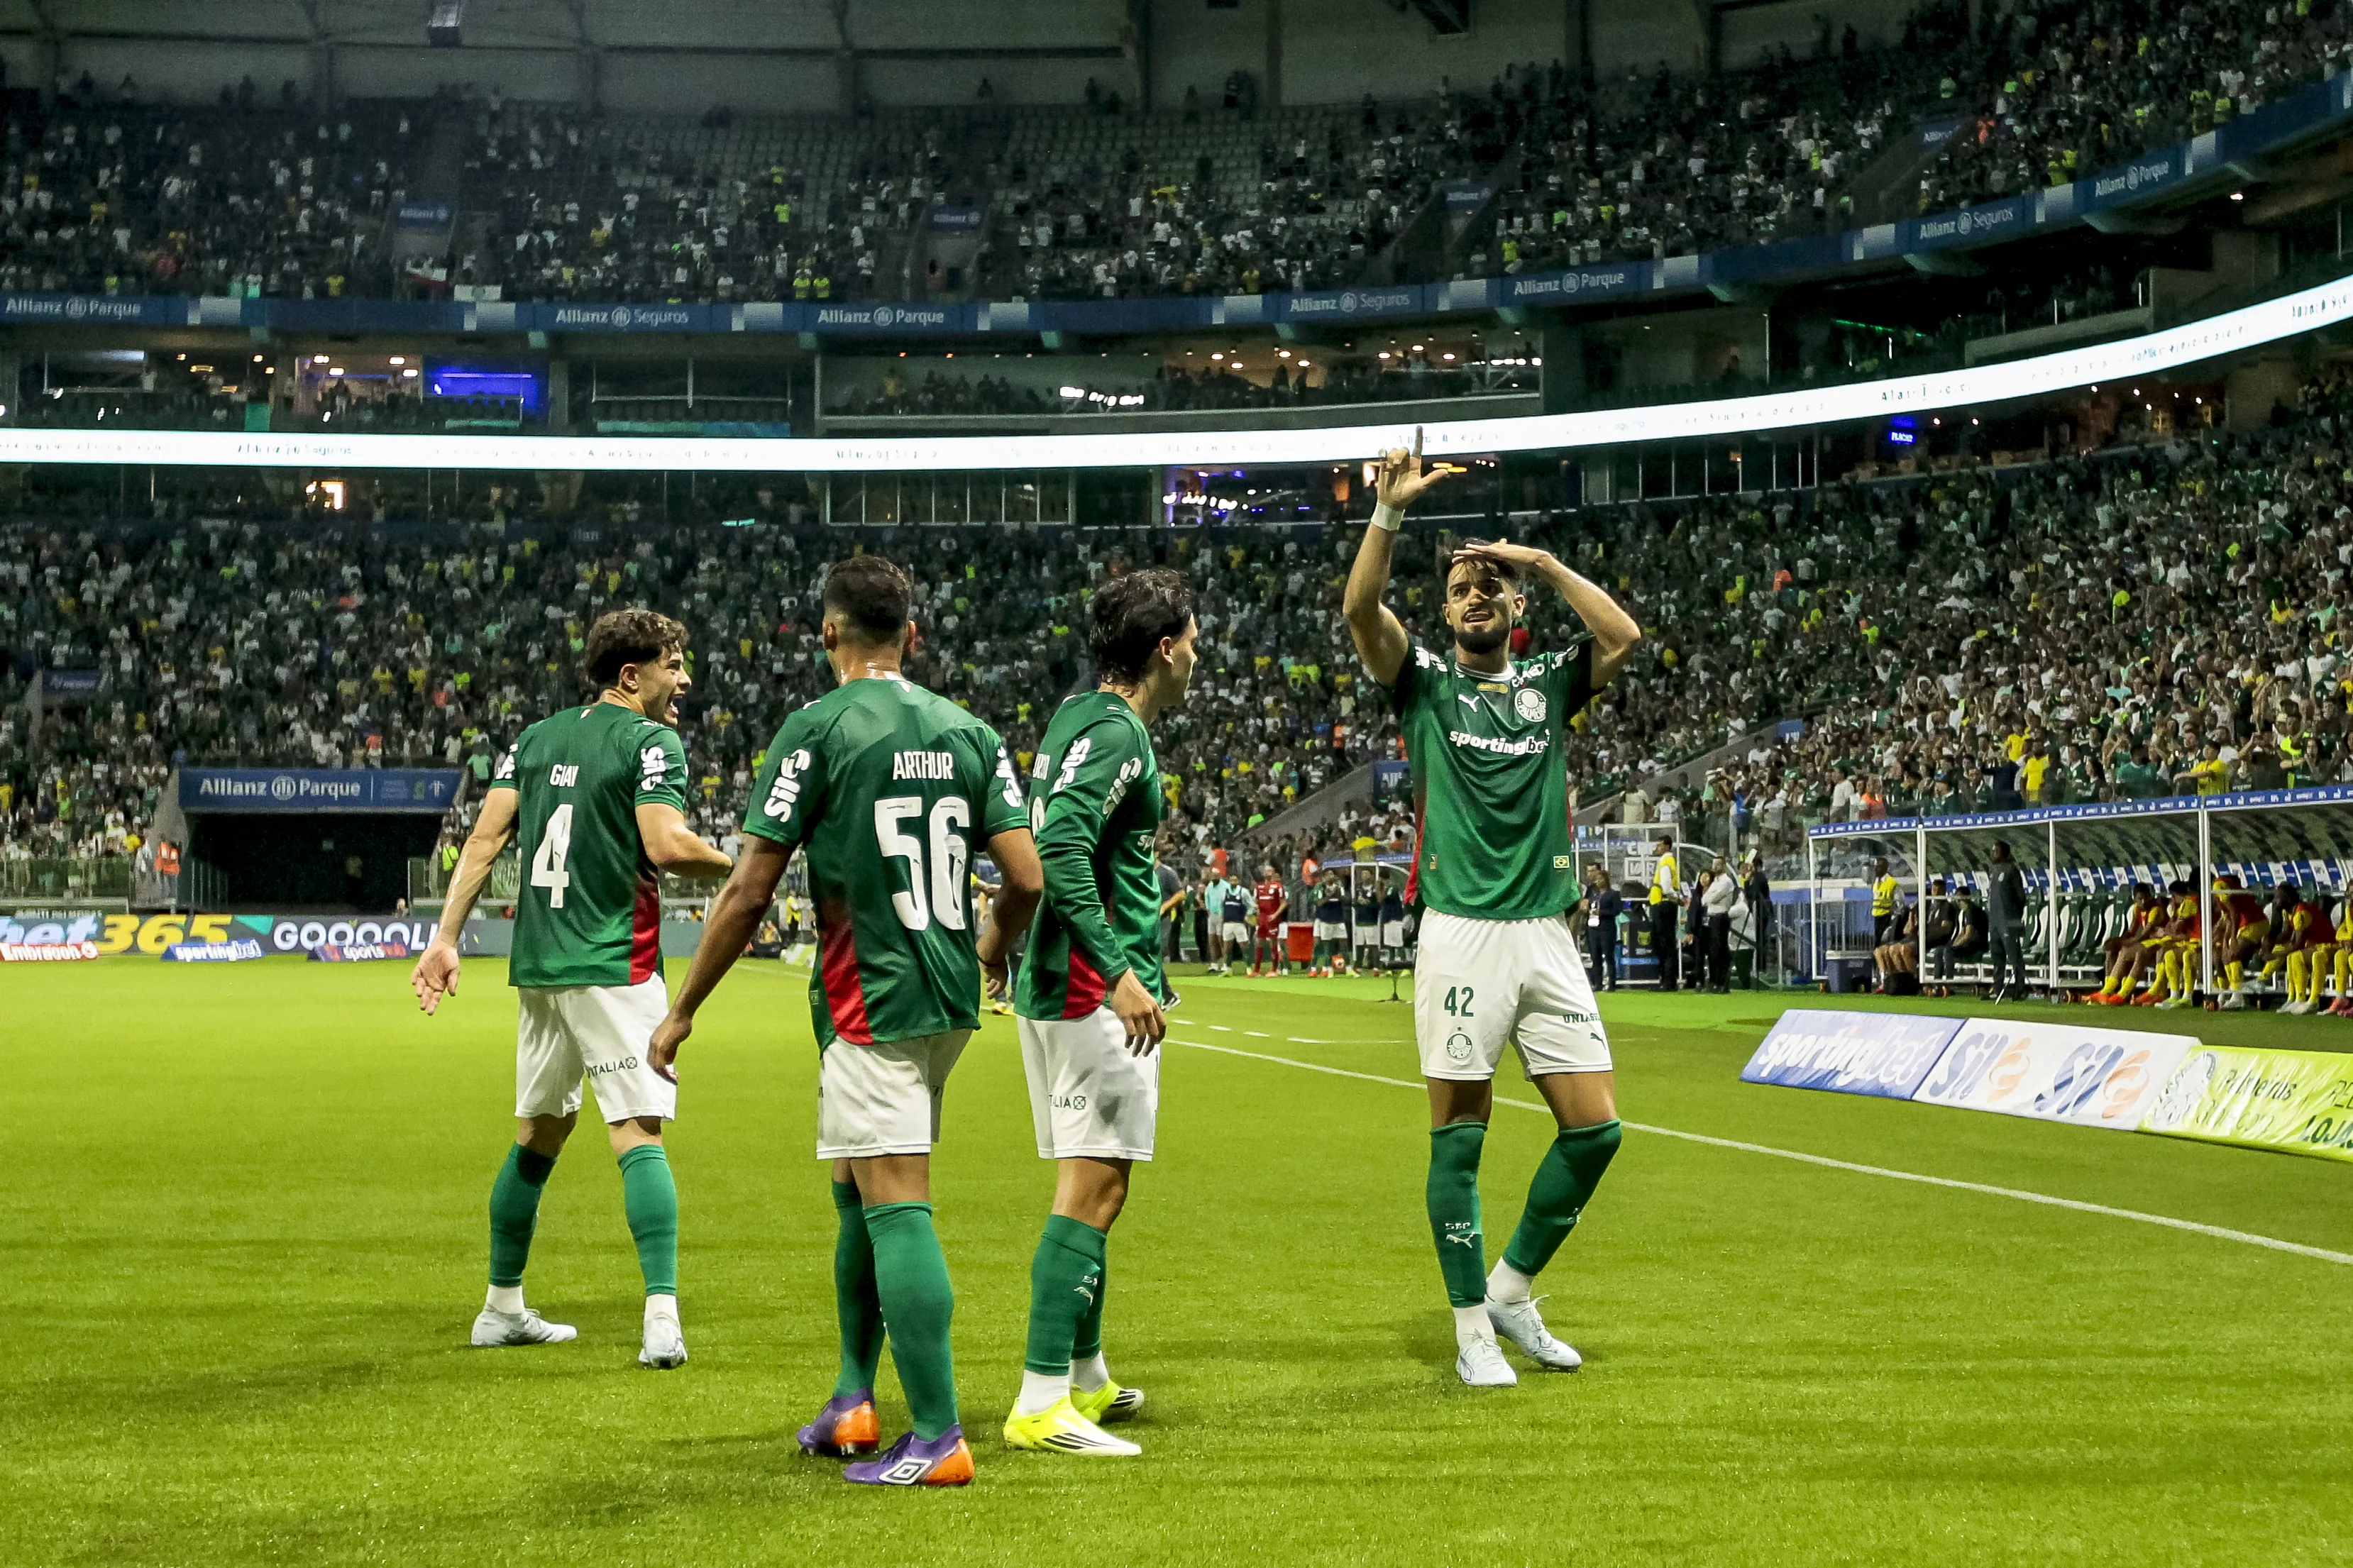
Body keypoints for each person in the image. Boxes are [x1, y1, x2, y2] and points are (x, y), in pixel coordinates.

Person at [645, 557, 1041, 1487]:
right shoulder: (971, 731)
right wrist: (988, 953)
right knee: (857, 1186)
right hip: (943, 991)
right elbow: (1025, 877)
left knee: (897, 1196)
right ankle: (855, 1397)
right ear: (913, 634)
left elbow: (748, 887)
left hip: (871, 994)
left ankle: (939, 1435)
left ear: (828, 633)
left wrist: (682, 1009)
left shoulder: (816, 730)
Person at [1343, 434, 1642, 1388]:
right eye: (1463, 587)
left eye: (1491, 586)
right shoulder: (1424, 685)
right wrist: (1388, 511)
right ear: (1444, 610)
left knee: (1596, 1130)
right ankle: (1471, 1323)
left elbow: (1622, 638)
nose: (1477, 595)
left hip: (1546, 932)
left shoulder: (1550, 685)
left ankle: (1510, 1290)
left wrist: (1543, 563)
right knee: (1460, 1134)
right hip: (1464, 930)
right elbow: (1359, 608)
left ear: (1514, 605)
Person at [409, 610, 733, 1369]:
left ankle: (502, 1306)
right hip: (612, 962)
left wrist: (446, 936)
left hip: (541, 969)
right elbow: (666, 845)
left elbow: (486, 839)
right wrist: (749, 865)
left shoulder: (533, 738)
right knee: (638, 1131)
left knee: (537, 1135)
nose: (683, 678)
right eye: (672, 664)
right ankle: (660, 1317)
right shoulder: (651, 740)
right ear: (632, 676)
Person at [1005, 568, 1197, 1458]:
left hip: (1052, 981)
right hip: (1093, 993)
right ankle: (1041, 1401)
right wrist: (1119, 969)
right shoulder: (1120, 734)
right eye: (1191, 639)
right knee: (1096, 1187)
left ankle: (1084, 1374)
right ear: (1164, 648)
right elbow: (1061, 845)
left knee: (1094, 1176)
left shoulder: (1075, 717)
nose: (1197, 654)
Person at [2087, 883, 2161, 1005]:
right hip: (2146, 943)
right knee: (2111, 950)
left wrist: (2126, 943)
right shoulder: (2137, 909)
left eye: (2146, 898)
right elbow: (2132, 930)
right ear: (2134, 899)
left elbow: (2145, 934)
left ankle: (2120, 994)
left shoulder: (2155, 910)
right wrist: (2120, 940)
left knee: (2127, 951)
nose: (2143, 901)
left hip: (2156, 943)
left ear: (2150, 897)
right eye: (2140, 899)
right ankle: (2108, 989)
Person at [1984, 839, 2029, 1002]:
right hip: (1994, 921)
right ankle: (1997, 989)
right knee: (1997, 956)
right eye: (1993, 851)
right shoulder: (1993, 870)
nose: (1993, 854)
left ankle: (2020, 988)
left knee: (2014, 955)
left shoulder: (2012, 871)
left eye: (1996, 851)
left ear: (2005, 853)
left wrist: (2015, 916)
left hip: (2008, 921)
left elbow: (2021, 897)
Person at [1700, 853, 1739, 991]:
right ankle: (1715, 982)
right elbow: (1703, 900)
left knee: (1719, 950)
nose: (1715, 866)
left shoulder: (1726, 882)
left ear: (1724, 866)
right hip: (1712, 918)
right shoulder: (1715, 882)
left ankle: (1722, 983)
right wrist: (1708, 896)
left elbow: (1713, 898)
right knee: (1713, 951)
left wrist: (1708, 895)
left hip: (1720, 917)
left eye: (1718, 864)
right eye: (1713, 864)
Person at [1579, 863, 1621, 991]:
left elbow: (1617, 911)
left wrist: (1601, 913)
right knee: (1595, 957)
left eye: (1601, 879)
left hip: (1607, 928)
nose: (1599, 881)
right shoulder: (1593, 895)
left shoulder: (1613, 894)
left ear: (1606, 880)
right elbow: (1586, 905)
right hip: (1593, 928)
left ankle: (1612, 984)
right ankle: (1598, 984)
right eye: (1598, 880)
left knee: (1608, 956)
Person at [1648, 835, 1682, 990]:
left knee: (1665, 944)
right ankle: (1666, 979)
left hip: (1663, 904)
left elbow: (1667, 886)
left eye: (1660, 845)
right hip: (1661, 903)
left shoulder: (1667, 861)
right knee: (1663, 943)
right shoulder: (1666, 861)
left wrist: (1676, 897)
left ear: (1668, 846)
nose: (1657, 848)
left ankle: (1668, 981)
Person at [1250, 861, 1289, 976]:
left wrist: (1275, 914)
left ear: (1273, 873)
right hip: (1262, 918)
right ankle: (1256, 971)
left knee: (1273, 942)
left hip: (1272, 918)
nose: (1268, 872)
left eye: (1270, 870)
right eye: (1266, 870)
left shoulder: (1278, 887)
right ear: (1263, 874)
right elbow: (1256, 902)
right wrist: (1256, 910)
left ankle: (1274, 970)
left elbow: (1284, 903)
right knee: (1259, 942)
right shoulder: (1259, 887)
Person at [1311, 871, 1350, 975]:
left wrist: (1337, 893)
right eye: (1328, 875)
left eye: (1332, 874)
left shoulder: (1339, 885)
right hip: (1322, 919)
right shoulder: (1320, 886)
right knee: (1320, 944)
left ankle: (1349, 969)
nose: (1330, 876)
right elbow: (1318, 902)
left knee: (1343, 944)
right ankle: (1316, 968)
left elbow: (1345, 899)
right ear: (1324, 877)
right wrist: (1328, 896)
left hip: (1338, 919)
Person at [1201, 866, 1238, 974]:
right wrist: (1208, 909)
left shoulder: (1226, 886)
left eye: (1216, 876)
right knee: (1211, 940)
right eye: (1212, 876)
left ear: (1220, 876)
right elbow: (1207, 897)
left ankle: (1226, 964)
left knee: (1222, 939)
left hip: (1222, 915)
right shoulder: (1210, 886)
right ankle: (1214, 964)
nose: (1214, 878)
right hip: (1212, 914)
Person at [1868, 857, 1898, 947]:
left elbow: (1899, 900)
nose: (1876, 869)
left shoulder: (1892, 882)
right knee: (1878, 941)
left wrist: (1894, 912)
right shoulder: (1876, 881)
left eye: (1879, 867)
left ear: (1885, 868)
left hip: (1887, 915)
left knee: (1882, 941)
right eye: (1875, 867)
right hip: (1877, 915)